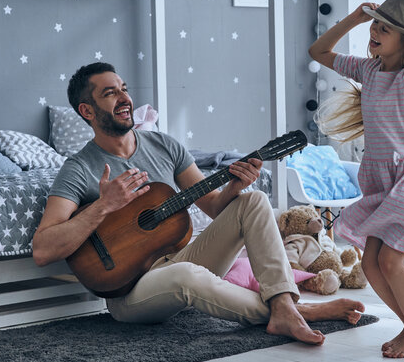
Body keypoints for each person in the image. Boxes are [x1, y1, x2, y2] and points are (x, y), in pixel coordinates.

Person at [31, 62, 365, 345]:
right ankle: (296, 310)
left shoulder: (164, 145)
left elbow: (216, 208)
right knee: (186, 274)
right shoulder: (78, 168)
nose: (124, 98)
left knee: (254, 200)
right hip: (130, 294)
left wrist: (233, 188)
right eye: (110, 93)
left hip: (179, 258)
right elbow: (43, 250)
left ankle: (283, 306)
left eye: (124, 89)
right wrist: (103, 206)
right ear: (87, 111)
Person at [309, 0, 404, 358]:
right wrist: (354, 18)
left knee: (391, 261)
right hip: (382, 182)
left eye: (384, 29)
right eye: (374, 25)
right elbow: (319, 52)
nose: (374, 31)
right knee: (371, 264)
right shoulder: (368, 69)